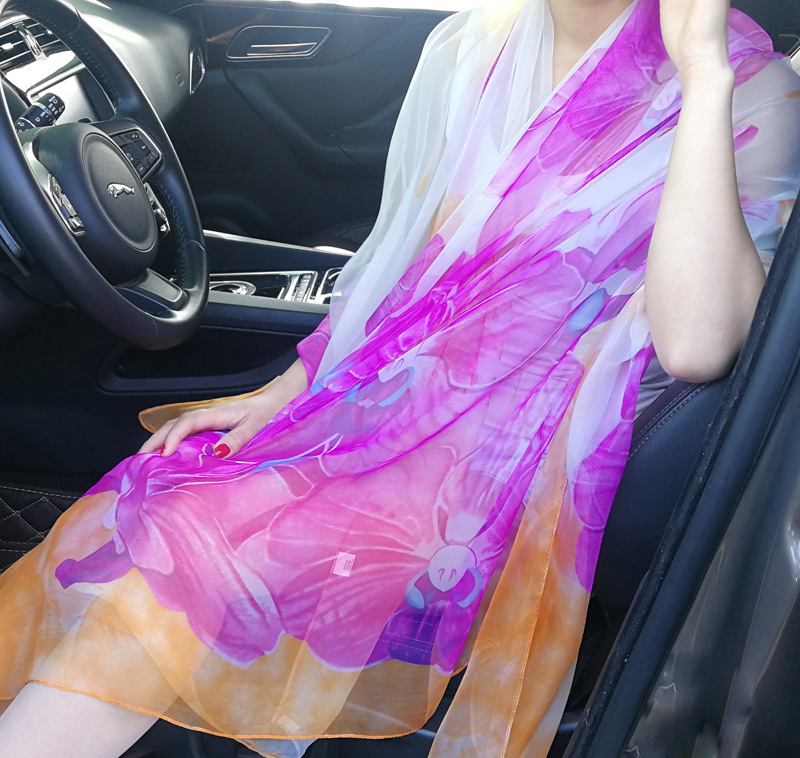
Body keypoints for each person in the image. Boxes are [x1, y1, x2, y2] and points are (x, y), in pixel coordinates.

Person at [1, 0, 799, 756]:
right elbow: (409, 264)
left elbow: (697, 345)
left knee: (182, 555)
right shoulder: (474, 47)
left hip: (514, 465)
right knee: (164, 492)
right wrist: (286, 389)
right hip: (392, 401)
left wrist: (702, 74)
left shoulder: (749, 89)